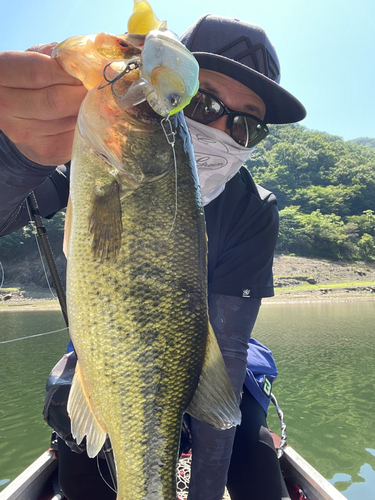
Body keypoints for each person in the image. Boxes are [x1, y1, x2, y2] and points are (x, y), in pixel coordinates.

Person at [0, 14, 306, 500]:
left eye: (247, 125)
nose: (224, 130)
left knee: (252, 461)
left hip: (203, 372)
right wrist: (14, 159)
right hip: (108, 368)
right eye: (203, 102)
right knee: (83, 476)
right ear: (175, 92)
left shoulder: (254, 209)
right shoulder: (90, 158)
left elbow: (225, 356)